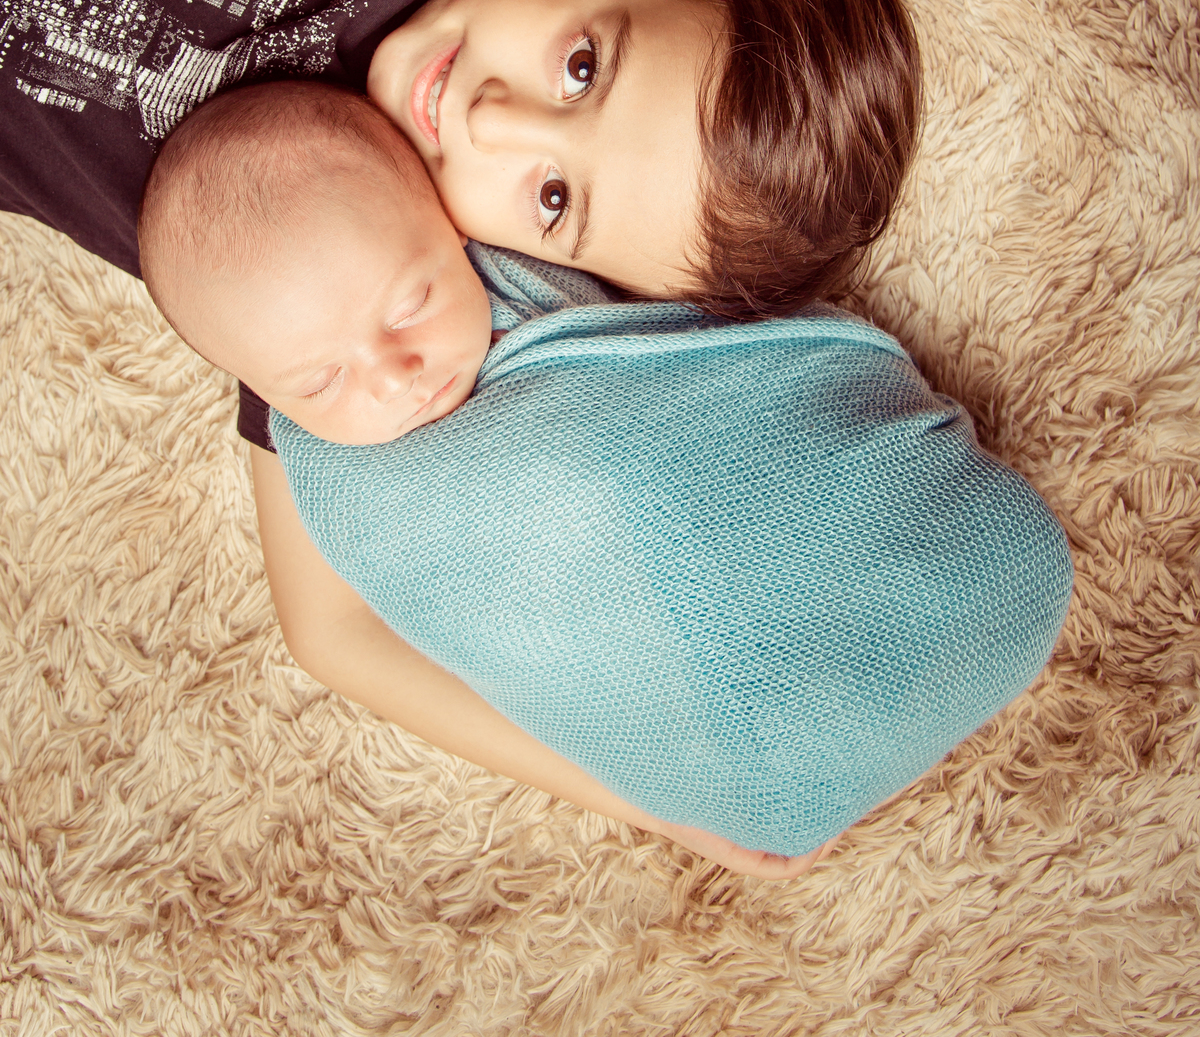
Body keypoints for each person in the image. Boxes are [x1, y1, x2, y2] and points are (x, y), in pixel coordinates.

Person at [1, 0, 998, 868]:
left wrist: (646, 800)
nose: (494, 116)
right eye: (587, 68)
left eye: (552, 200)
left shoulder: (361, 277)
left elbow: (332, 629)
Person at [136, 78, 1072, 877]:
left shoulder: (508, 228)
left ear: (445, 220)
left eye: (411, 303)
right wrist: (652, 798)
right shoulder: (327, 447)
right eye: (319, 381)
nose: (393, 376)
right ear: (265, 389)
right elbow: (347, 632)